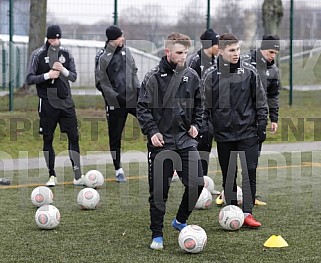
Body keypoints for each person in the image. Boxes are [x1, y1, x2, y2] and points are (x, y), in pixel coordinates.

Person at [137, 32, 204, 250]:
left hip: (185, 141)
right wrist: (152, 131)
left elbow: (201, 105)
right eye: (179, 52)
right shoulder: (153, 77)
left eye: (186, 52)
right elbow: (142, 108)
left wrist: (196, 125)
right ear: (168, 52)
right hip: (161, 144)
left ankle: (180, 220)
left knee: (198, 183)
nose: (184, 56)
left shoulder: (192, 76)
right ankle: (157, 234)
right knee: (159, 192)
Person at [201, 33, 268, 227]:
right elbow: (204, 107)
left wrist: (261, 126)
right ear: (220, 51)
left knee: (250, 171)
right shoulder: (210, 75)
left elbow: (261, 102)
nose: (236, 53)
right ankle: (231, 210)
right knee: (229, 174)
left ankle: (247, 213)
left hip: (248, 133)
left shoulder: (250, 72)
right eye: (231, 50)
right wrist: (206, 129)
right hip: (223, 134)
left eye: (238, 49)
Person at [26, 25, 84, 187]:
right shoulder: (38, 54)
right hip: (47, 104)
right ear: (48, 38)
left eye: (58, 38)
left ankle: (78, 175)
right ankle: (52, 175)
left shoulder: (66, 53)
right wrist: (47, 75)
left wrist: (63, 70)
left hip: (66, 104)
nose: (56, 41)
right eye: (53, 38)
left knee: (74, 137)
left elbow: (73, 77)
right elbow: (30, 79)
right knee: (48, 138)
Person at [95, 25, 140, 183]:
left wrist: (138, 89)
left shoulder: (126, 51)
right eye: (121, 36)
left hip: (133, 99)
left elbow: (134, 71)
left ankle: (165, 162)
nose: (123, 38)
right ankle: (118, 169)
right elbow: (101, 83)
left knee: (153, 123)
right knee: (115, 137)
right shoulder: (102, 56)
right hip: (115, 103)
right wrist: (116, 97)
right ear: (113, 39)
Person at [186, 28, 220, 183]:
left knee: (207, 144)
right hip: (197, 111)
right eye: (217, 44)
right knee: (196, 144)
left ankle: (203, 181)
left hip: (211, 111)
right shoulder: (195, 61)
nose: (219, 47)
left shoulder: (216, 61)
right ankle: (194, 178)